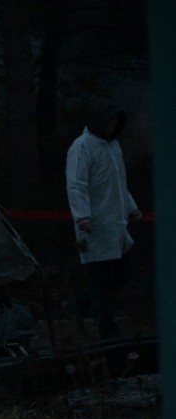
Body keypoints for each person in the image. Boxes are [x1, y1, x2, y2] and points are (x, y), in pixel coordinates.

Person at [65, 97, 142, 339]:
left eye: (116, 122)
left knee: (122, 272)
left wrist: (131, 207)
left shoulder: (113, 147)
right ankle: (108, 332)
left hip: (116, 223)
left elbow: (119, 183)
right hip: (95, 226)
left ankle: (80, 304)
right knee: (101, 280)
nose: (113, 126)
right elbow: (76, 185)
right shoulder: (81, 147)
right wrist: (82, 216)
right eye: (110, 121)